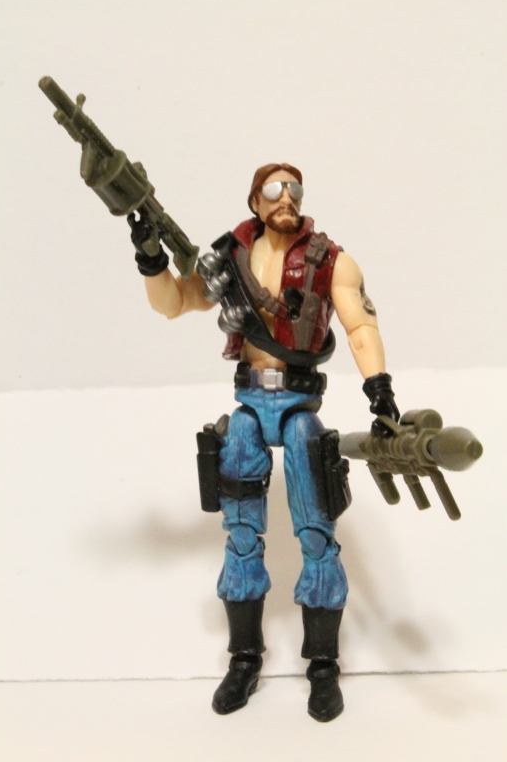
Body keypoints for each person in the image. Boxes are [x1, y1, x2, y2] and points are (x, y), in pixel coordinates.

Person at [128, 163, 400, 722]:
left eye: (294, 189)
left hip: (300, 406)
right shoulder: (229, 257)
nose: (286, 198)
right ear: (255, 199)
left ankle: (322, 665)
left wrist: (379, 389)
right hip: (250, 404)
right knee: (241, 534)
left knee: (317, 535)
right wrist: (152, 260)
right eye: (274, 190)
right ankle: (244, 658)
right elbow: (175, 303)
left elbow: (360, 326)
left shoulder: (331, 259)